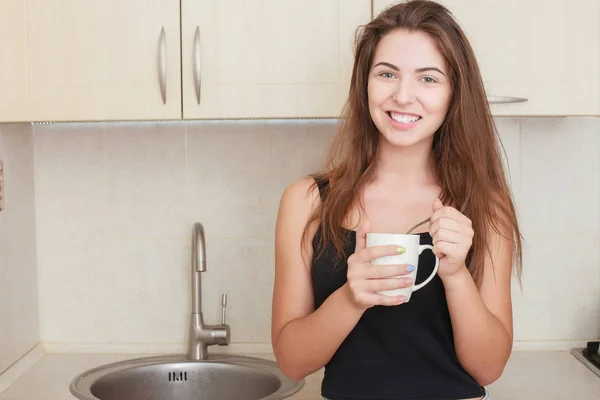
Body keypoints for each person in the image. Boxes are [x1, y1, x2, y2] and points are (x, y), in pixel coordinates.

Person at [271, 0, 523, 399]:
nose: (403, 96)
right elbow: (292, 361)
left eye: (428, 79)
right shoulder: (307, 202)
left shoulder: (486, 207)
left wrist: (456, 275)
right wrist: (351, 299)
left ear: (455, 92)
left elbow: (488, 368)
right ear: (364, 84)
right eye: (387, 74)